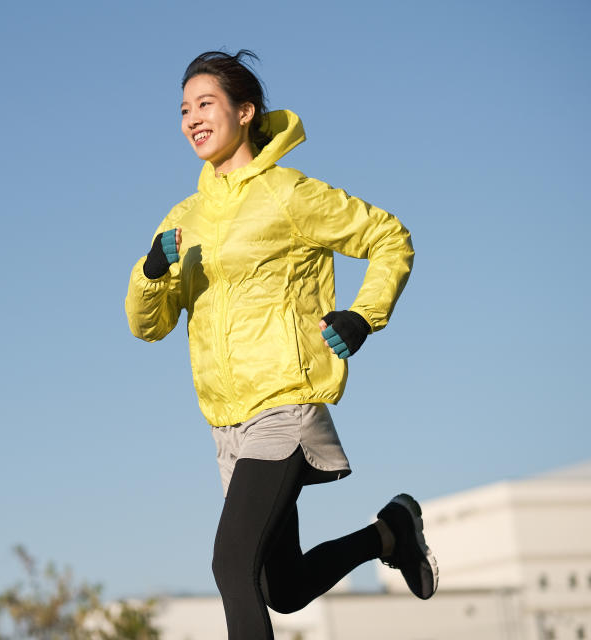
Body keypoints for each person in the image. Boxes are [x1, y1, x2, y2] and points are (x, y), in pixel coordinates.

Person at [125, 50, 438, 638]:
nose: (192, 117)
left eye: (206, 103)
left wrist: (363, 315)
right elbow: (149, 325)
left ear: (245, 112)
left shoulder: (287, 194)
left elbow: (388, 236)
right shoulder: (181, 218)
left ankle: (390, 531)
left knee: (229, 566)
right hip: (226, 422)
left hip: (284, 402)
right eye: (184, 108)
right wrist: (150, 274)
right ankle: (390, 532)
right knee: (280, 587)